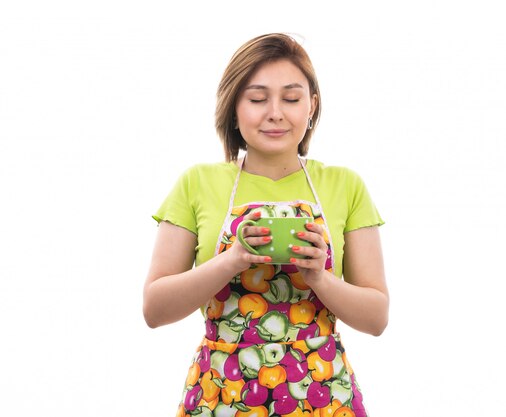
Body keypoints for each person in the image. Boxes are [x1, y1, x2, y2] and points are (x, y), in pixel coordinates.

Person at [143, 33, 388, 417]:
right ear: (234, 107)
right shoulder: (197, 183)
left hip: (324, 397)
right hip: (222, 395)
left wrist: (319, 276)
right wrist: (232, 261)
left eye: (291, 98)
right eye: (257, 99)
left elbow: (376, 317)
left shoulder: (345, 185)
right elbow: (154, 309)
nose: (275, 112)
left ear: (312, 106)